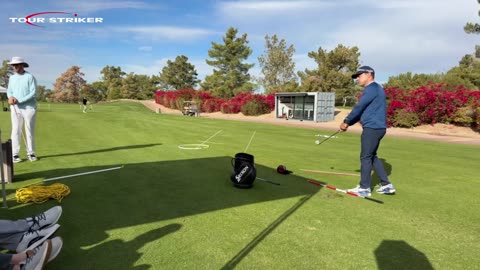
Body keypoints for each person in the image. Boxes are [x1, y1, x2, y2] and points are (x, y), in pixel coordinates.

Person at [340, 66, 396, 197]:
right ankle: (386, 185)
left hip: (372, 128)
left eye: (359, 75)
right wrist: (350, 123)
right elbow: (365, 110)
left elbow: (359, 107)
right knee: (372, 156)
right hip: (378, 128)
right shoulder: (377, 89)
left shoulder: (371, 89)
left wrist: (347, 121)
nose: (357, 79)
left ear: (369, 74)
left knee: (365, 157)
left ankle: (364, 188)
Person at [6, 57, 38, 163]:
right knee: (15, 130)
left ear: (22, 65)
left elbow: (33, 93)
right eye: (13, 65)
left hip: (29, 108)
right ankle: (15, 154)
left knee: (29, 130)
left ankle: (31, 153)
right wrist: (10, 97)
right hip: (15, 107)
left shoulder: (30, 77)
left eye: (17, 65)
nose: (14, 67)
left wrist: (20, 100)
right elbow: (9, 91)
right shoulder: (12, 78)